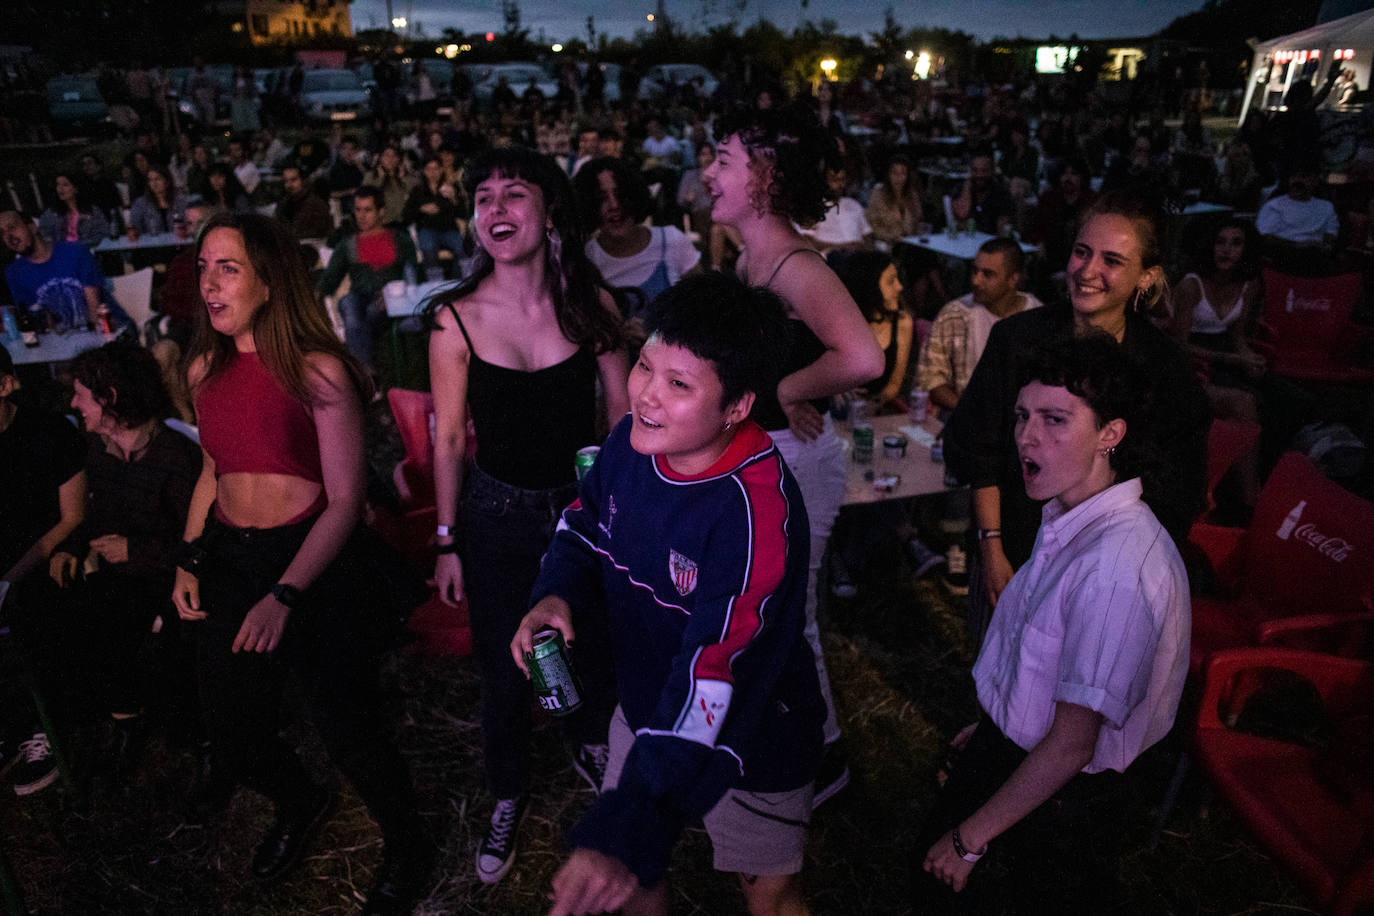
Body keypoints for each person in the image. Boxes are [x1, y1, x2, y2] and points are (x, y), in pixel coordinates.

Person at [513, 272, 824, 916]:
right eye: (645, 366)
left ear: (737, 405)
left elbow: (716, 674)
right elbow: (584, 519)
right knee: (634, 871)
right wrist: (555, 592)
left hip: (748, 732)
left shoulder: (753, 514)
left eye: (679, 384)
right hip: (644, 702)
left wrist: (624, 822)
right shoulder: (631, 441)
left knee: (765, 888)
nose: (648, 395)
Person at [171, 212, 432, 914]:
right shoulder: (201, 368)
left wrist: (285, 593)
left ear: (269, 280)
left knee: (347, 725)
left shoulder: (319, 372)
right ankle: (299, 799)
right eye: (203, 267)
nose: (210, 282)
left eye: (227, 267)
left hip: (309, 561)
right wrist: (189, 558)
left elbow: (346, 502)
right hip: (231, 554)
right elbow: (211, 470)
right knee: (228, 726)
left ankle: (408, 844)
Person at [917, 333, 1190, 913]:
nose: (1025, 436)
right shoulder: (1066, 513)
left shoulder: (1116, 569)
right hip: (1015, 750)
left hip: (1064, 799)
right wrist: (997, 723)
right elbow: (1038, 655)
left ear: (1110, 435)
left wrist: (969, 842)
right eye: (1021, 416)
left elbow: (1071, 745)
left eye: (1054, 419)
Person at [425, 146, 629, 885]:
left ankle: (591, 741)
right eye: (483, 197)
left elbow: (626, 418)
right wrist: (446, 539)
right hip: (497, 514)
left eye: (514, 193)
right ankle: (508, 793)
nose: (495, 210)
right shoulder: (455, 320)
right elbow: (448, 438)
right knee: (501, 667)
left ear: (549, 214)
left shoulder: (590, 306)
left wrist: (622, 505)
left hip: (582, 510)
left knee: (593, 641)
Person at [702, 102, 885, 804]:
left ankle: (824, 754)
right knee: (765, 613)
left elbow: (863, 357)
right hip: (766, 456)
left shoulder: (795, 265)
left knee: (791, 615)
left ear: (766, 177)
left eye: (723, 160)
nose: (708, 172)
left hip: (795, 462)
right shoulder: (754, 257)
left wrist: (784, 388)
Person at [944, 190, 1208, 648]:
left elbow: (1179, 483)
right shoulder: (1019, 340)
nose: (1087, 271)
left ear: (1146, 276)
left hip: (1110, 571)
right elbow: (978, 448)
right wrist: (992, 548)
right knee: (1003, 684)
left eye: (1111, 260)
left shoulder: (1163, 366)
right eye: (1081, 252)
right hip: (1018, 546)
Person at [51, 342, 201, 778]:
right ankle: (125, 722)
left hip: (173, 576)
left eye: (81, 394)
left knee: (175, 639)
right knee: (83, 616)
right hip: (126, 577)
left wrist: (136, 550)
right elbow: (94, 517)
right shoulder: (100, 450)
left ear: (110, 397)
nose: (74, 403)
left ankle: (199, 743)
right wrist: (71, 548)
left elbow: (204, 544)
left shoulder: (175, 458)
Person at [0, 346, 86, 797]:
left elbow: (71, 516)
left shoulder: (48, 433)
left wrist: (13, 574)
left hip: (44, 556)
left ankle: (43, 728)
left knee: (34, 611)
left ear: (5, 385)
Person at [918, 238, 1043, 413]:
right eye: (975, 271)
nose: (976, 281)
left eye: (988, 274)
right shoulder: (954, 315)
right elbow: (931, 379)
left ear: (1013, 279)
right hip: (966, 416)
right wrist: (970, 411)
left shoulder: (1037, 318)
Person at [577, 156, 701, 318]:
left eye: (620, 194)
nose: (614, 205)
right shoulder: (587, 259)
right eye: (602, 198)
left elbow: (703, 307)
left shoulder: (672, 240)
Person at [316, 186, 418, 374]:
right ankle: (367, 374)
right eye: (358, 210)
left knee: (369, 312)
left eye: (368, 210)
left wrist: (396, 294)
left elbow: (413, 274)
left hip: (391, 298)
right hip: (360, 297)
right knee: (348, 304)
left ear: (380, 212)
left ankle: (366, 374)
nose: (361, 216)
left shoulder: (400, 239)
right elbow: (329, 279)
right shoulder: (348, 244)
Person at [1, 208, 106, 331]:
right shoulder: (14, 273)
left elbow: (95, 307)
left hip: (104, 330)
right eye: (2, 233)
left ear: (32, 228)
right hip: (63, 341)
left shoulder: (75, 252)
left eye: (12, 228)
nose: (8, 236)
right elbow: (35, 318)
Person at [1257, 163, 1339, 273]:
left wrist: (1326, 246)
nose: (1297, 181)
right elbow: (1265, 237)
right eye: (1293, 177)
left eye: (1303, 177)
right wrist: (1297, 245)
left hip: (1317, 256)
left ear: (1315, 181)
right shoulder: (1275, 205)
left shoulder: (1326, 207)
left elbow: (1331, 235)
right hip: (1283, 254)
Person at [402, 154, 466, 282]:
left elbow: (462, 213)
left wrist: (454, 199)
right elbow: (406, 216)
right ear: (424, 171)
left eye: (436, 168)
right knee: (428, 247)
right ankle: (435, 285)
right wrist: (421, 209)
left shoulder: (450, 188)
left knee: (461, 247)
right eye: (429, 169)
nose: (433, 173)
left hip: (449, 229)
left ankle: (457, 283)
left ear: (441, 169)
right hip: (427, 229)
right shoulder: (418, 191)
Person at [796, 165, 872, 255]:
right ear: (824, 181)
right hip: (830, 259)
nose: (840, 185)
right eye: (834, 180)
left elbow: (868, 235)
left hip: (859, 257)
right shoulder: (814, 206)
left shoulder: (853, 204)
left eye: (842, 179)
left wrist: (863, 247)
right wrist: (842, 247)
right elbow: (807, 241)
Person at [37, 172, 111, 250]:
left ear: (76, 189)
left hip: (87, 252)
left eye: (65, 185)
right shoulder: (51, 213)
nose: (60, 188)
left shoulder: (92, 211)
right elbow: (44, 235)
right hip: (61, 254)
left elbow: (103, 232)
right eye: (58, 185)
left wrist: (81, 245)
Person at [952, 154, 1013, 236]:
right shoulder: (961, 188)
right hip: (967, 238)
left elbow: (1002, 227)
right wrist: (966, 188)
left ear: (992, 171)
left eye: (984, 171)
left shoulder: (1002, 193)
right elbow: (961, 214)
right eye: (975, 170)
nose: (979, 175)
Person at [127, 164, 189, 238]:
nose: (154, 183)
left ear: (167, 181)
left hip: (180, 244)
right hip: (151, 246)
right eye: (150, 180)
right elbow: (134, 227)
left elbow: (189, 223)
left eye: (157, 179)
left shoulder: (180, 201)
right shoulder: (140, 203)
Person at [276, 164, 334, 241]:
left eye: (293, 180)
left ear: (303, 181)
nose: (289, 185)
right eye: (286, 181)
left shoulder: (316, 205)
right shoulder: (283, 204)